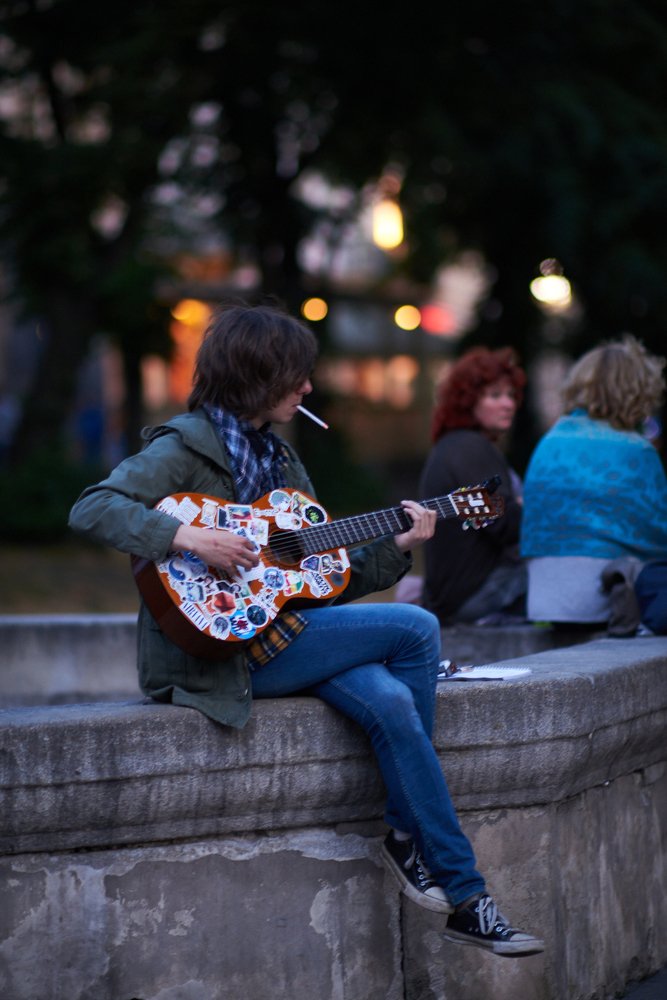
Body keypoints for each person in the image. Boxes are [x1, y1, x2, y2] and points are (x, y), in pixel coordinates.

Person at [69, 302, 544, 958]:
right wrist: (186, 536)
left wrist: (398, 541)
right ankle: (421, 851)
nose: (308, 387)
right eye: (297, 374)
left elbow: (323, 578)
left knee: (393, 701)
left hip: (292, 634)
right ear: (256, 375)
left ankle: (461, 894)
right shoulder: (182, 448)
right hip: (223, 654)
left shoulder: (283, 465)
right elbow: (92, 506)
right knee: (414, 628)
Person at [520, 335, 667, 629]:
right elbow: (657, 532)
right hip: (605, 595)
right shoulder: (636, 449)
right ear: (639, 391)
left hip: (546, 597)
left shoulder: (551, 439)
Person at [405, 346, 527, 626]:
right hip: (473, 596)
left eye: (510, 395)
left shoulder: (454, 446)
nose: (508, 404)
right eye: (495, 395)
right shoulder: (471, 448)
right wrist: (524, 507)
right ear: (467, 401)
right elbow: (507, 526)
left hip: (450, 598)